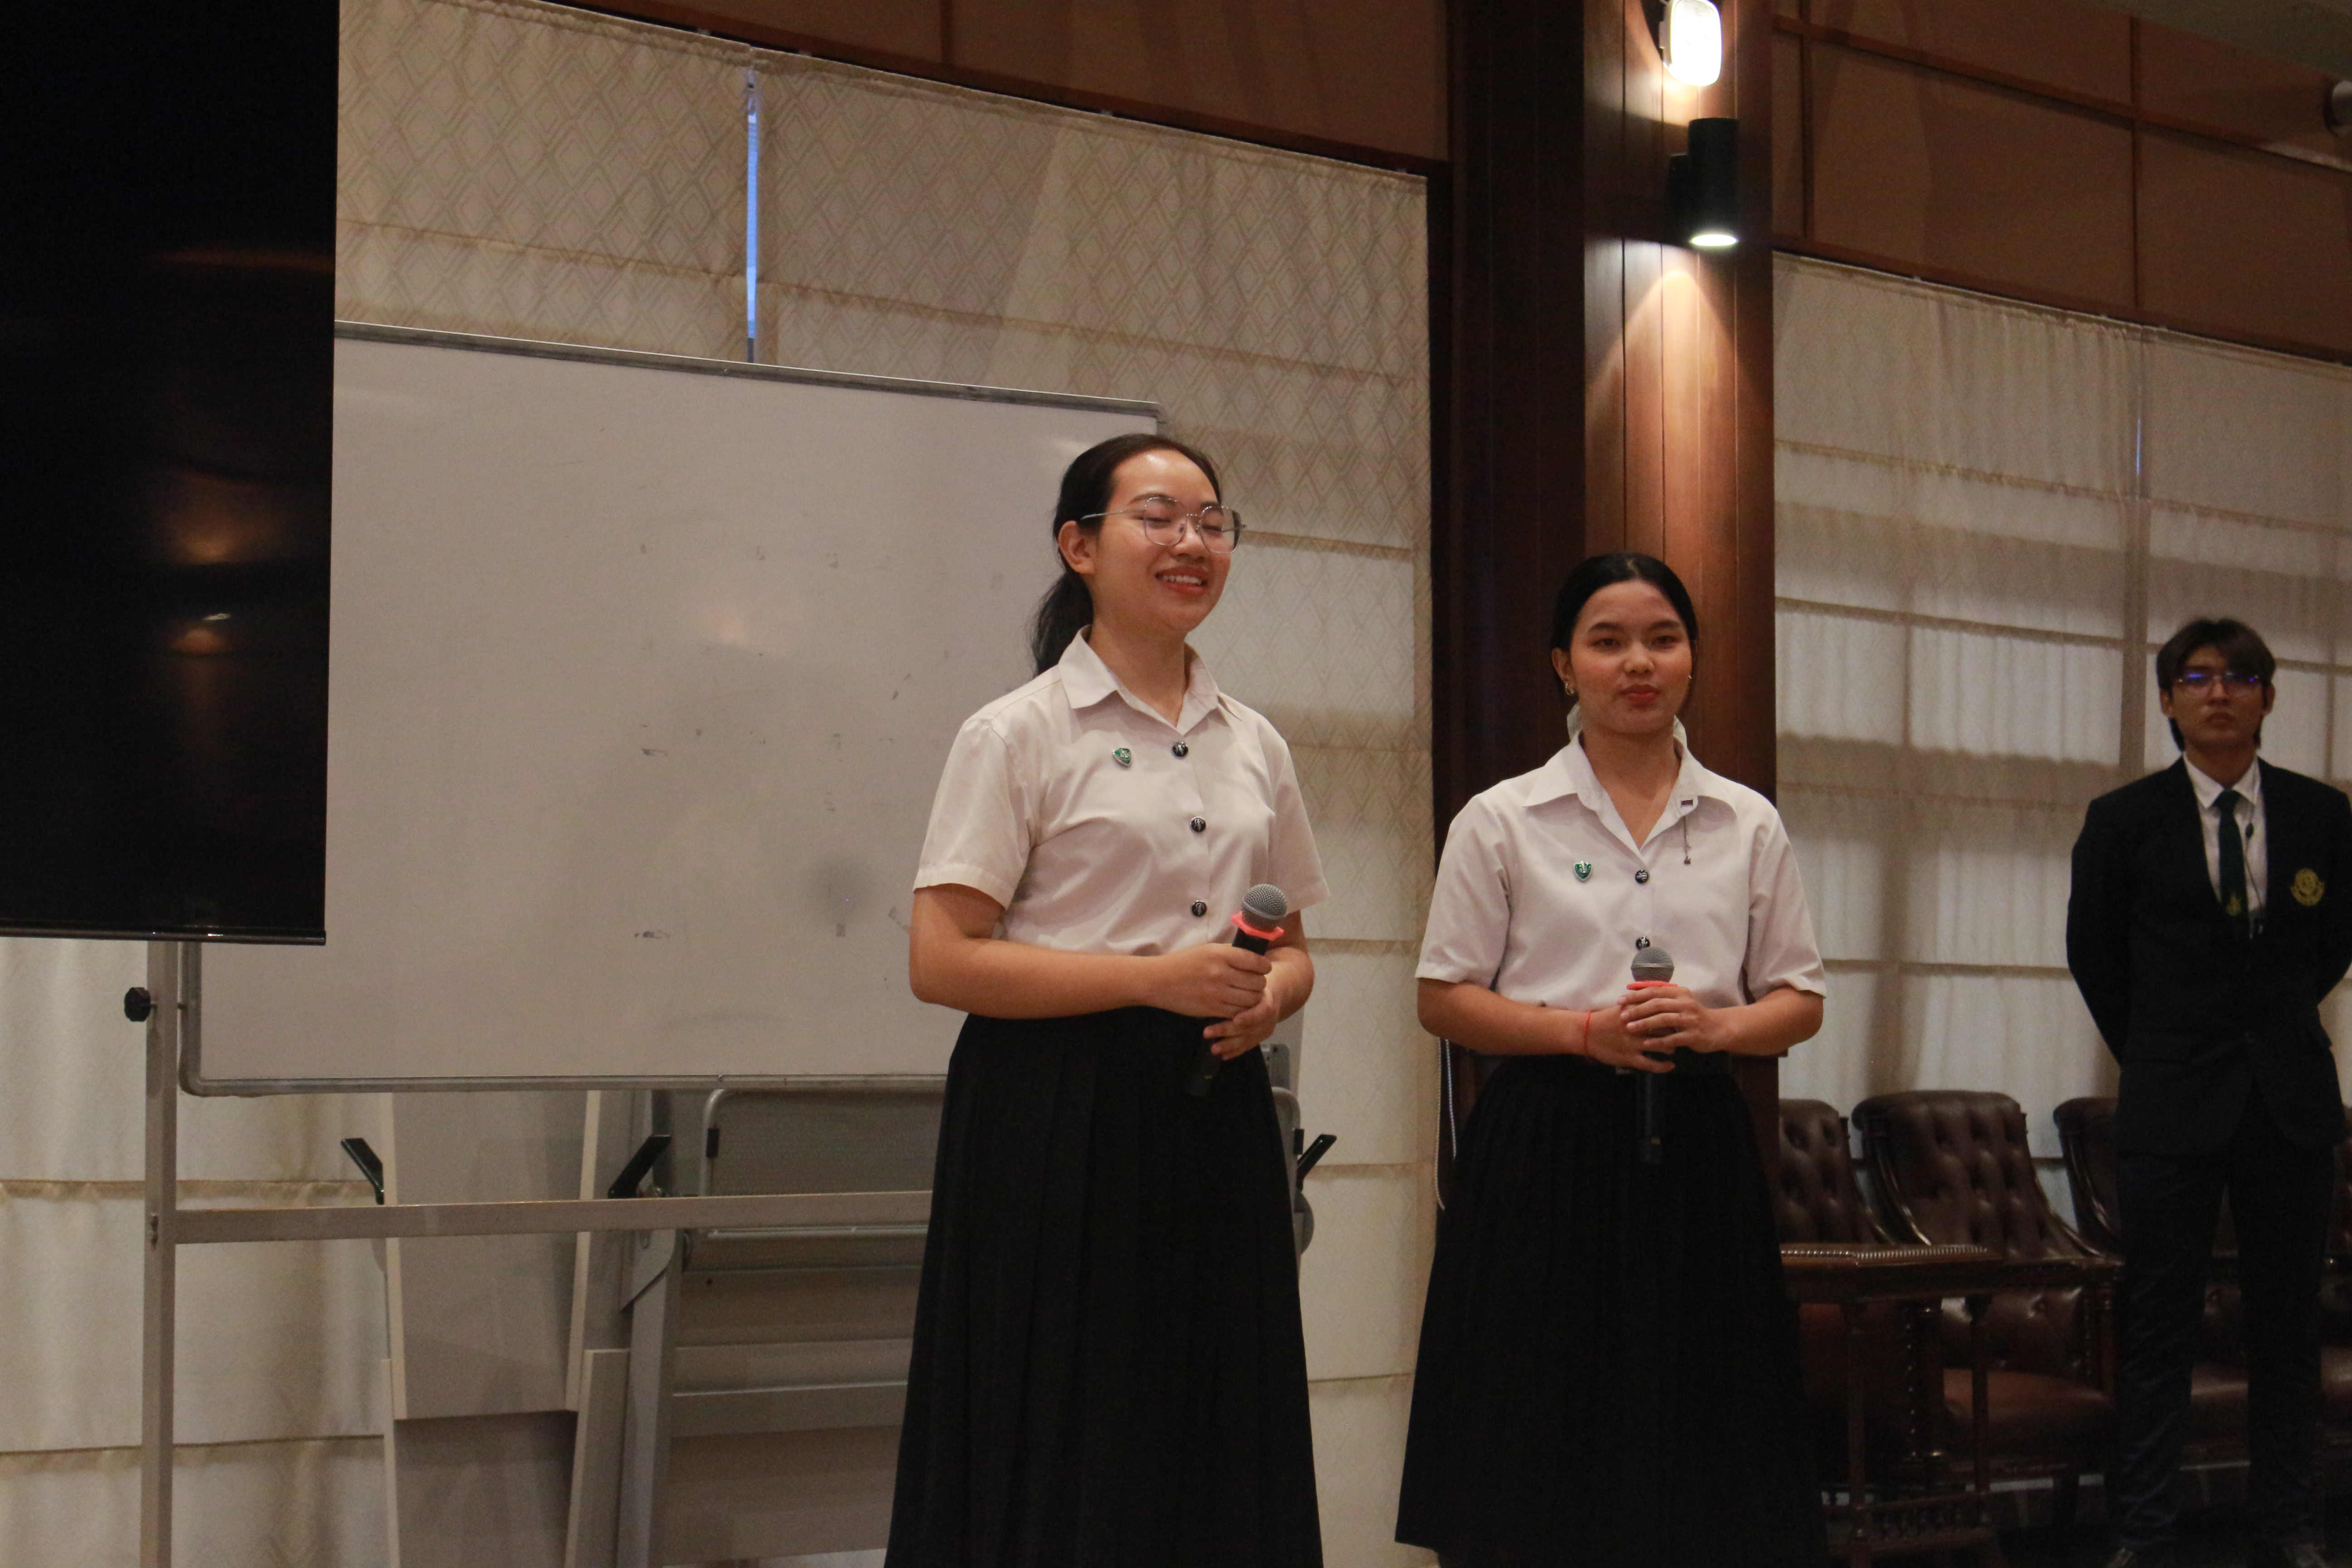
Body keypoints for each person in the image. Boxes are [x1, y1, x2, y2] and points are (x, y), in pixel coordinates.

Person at [887, 432, 1327, 1568]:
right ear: (1078, 547)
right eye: (1157, 518)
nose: (1192, 542)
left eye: (1212, 523)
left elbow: (1296, 952)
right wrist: (1152, 980)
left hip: (1215, 1104)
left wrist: (1268, 998)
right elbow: (943, 960)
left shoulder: (1255, 742)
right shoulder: (1018, 731)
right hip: (1055, 1112)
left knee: (1212, 1416)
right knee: (1068, 1417)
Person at [1396, 551, 1829, 1567]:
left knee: (1704, 1423)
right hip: (1545, 1140)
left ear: (1692, 659)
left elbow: (1799, 1001)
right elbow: (1443, 1000)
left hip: (1698, 1136)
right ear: (1563, 664)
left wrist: (1715, 1028)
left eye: (1663, 640)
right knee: (1537, 1419)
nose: (1639, 663)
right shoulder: (1503, 817)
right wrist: (1583, 1034)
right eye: (1608, 641)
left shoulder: (1746, 820)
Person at [2067, 618, 2352, 1568]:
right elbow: (2096, 955)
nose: (2218, 693)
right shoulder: (2124, 819)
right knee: (2161, 1327)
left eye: (2239, 677)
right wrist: (2162, 1049)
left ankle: (2289, 1526)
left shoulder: (2322, 815)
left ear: (2269, 696)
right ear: (2167, 700)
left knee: (2288, 1326)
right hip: (2171, 1100)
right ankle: (2144, 1531)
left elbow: (2330, 948)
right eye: (2196, 678)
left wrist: (2265, 1031)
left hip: (2289, 1102)